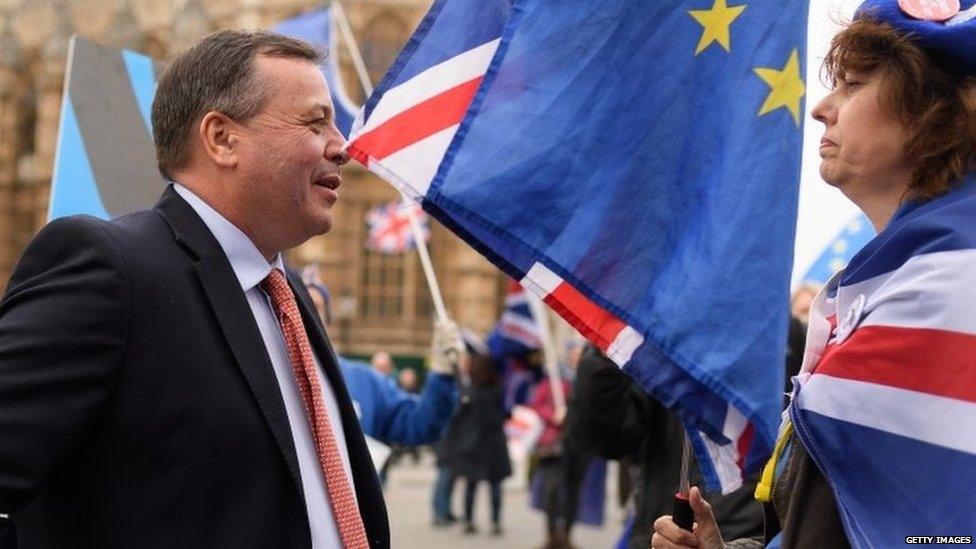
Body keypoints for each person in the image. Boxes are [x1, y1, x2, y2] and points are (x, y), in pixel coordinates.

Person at [0, 30, 430, 548]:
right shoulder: (111, 268)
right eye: (316, 122)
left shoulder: (285, 293)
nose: (342, 147)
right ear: (222, 139)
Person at [652, 4, 976, 547]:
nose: (823, 107)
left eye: (852, 84)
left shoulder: (954, 281)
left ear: (935, 108)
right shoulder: (897, 277)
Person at [567, 346, 763, 549]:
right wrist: (604, 355)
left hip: (748, 531)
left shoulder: (787, 342)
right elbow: (606, 439)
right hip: (662, 532)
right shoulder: (663, 342)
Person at [438, 354, 512, 535]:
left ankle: (469, 520)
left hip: (474, 442)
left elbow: (459, 417)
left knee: (471, 485)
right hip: (495, 442)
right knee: (495, 485)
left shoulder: (470, 391)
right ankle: (495, 521)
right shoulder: (499, 389)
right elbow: (505, 413)